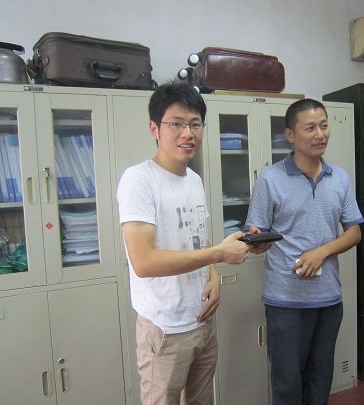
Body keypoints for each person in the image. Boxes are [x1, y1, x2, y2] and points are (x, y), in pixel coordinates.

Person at [117, 81, 263, 405]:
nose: (188, 133)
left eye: (196, 124)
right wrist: (218, 254)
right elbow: (143, 262)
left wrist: (214, 276)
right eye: (177, 124)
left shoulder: (193, 180)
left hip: (202, 320)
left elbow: (197, 236)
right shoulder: (139, 180)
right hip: (165, 329)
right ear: (154, 129)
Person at [245, 98, 364, 405]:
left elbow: (354, 232)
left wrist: (321, 252)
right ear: (290, 135)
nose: (319, 134)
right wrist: (256, 243)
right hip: (285, 300)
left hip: (328, 298)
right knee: (287, 384)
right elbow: (256, 234)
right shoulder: (270, 179)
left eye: (323, 126)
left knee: (320, 381)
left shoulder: (339, 177)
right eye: (310, 128)